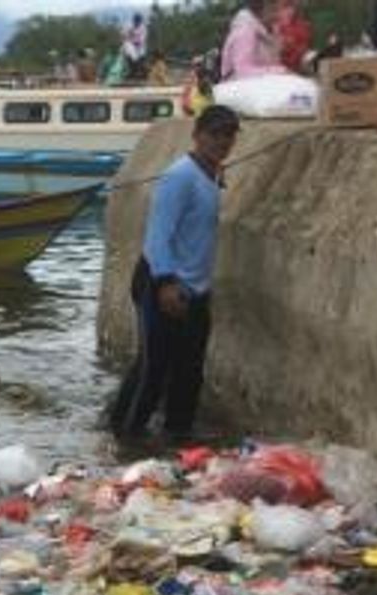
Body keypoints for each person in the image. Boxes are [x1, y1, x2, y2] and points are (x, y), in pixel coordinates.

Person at [109, 105, 239, 443]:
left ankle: (177, 432)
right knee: (153, 368)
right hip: (162, 281)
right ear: (197, 136)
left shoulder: (209, 174)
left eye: (228, 135)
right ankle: (124, 435)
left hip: (195, 288)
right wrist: (165, 284)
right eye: (214, 134)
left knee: (190, 368)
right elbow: (158, 234)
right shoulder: (180, 176)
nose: (222, 142)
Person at [221, 2, 286, 81]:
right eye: (274, 9)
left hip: (262, 85)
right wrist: (281, 71)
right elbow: (242, 71)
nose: (278, 15)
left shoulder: (272, 30)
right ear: (259, 9)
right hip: (239, 87)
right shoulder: (245, 30)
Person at [276, 1, 315, 74]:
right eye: (285, 9)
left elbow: (304, 45)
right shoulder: (276, 26)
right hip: (279, 66)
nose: (288, 12)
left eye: (291, 8)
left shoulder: (301, 26)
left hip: (296, 63)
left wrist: (294, 59)